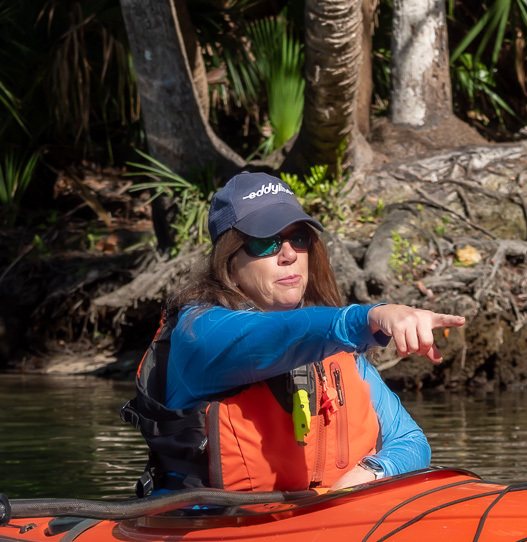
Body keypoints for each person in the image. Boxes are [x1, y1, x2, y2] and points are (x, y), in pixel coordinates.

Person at [123, 172, 465, 496]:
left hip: (325, 519)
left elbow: (411, 441)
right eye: (265, 243)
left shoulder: (336, 346)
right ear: (230, 262)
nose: (288, 254)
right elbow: (272, 336)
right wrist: (369, 316)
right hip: (210, 523)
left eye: (299, 238)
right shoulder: (201, 331)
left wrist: (372, 471)